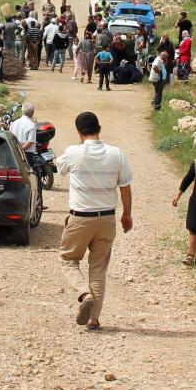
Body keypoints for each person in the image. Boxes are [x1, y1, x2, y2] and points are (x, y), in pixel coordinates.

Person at [57, 111, 133, 331]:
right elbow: (126, 187)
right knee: (98, 268)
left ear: (78, 131)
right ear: (99, 127)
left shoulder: (74, 152)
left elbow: (59, 168)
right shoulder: (116, 153)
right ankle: (94, 319)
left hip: (81, 217)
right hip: (107, 217)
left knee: (68, 259)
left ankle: (84, 293)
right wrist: (126, 214)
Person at [10, 102, 37, 168]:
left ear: (22, 111)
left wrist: (17, 151)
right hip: (27, 154)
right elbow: (30, 142)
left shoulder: (14, 123)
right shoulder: (31, 125)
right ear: (32, 112)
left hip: (14, 153)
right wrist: (21, 151)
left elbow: (10, 137)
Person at [149, 45, 170, 111]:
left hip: (159, 79)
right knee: (159, 93)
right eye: (166, 57)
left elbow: (164, 65)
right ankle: (157, 107)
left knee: (157, 92)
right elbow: (154, 66)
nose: (166, 58)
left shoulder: (161, 59)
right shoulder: (158, 60)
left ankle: (155, 102)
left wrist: (165, 61)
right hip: (158, 79)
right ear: (163, 56)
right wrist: (158, 72)